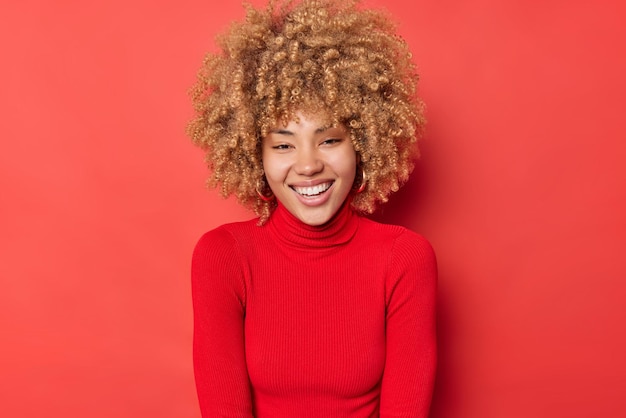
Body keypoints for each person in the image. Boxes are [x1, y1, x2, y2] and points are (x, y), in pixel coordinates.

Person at [187, 0, 437, 416]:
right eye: (283, 144)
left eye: (329, 139)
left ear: (362, 143)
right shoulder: (223, 256)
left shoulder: (404, 259)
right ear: (255, 155)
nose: (307, 165)